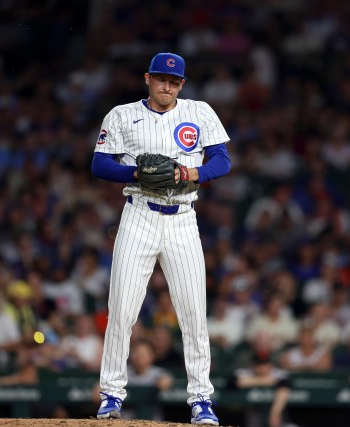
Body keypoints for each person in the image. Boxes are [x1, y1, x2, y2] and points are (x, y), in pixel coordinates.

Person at [91, 52, 231, 425]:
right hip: (139, 214)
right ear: (147, 79)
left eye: (173, 81)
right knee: (121, 309)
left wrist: (190, 175)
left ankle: (201, 399)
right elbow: (100, 163)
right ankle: (111, 394)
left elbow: (222, 160)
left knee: (193, 315)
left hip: (183, 218)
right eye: (160, 79)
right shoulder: (121, 114)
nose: (166, 86)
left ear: (181, 84)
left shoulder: (199, 112)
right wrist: (136, 173)